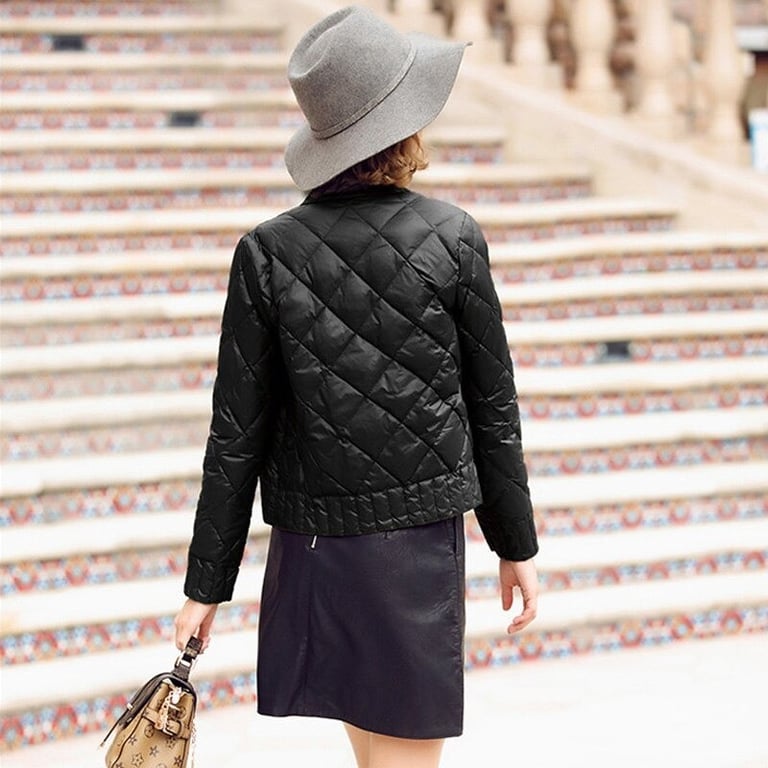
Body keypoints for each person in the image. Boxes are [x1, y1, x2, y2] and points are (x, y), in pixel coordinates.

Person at [174, 6, 539, 767]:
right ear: (403, 126)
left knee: (376, 757)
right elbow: (493, 409)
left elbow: (235, 435)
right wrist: (515, 544)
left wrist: (205, 587)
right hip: (414, 545)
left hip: (315, 548)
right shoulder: (453, 237)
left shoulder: (267, 252)